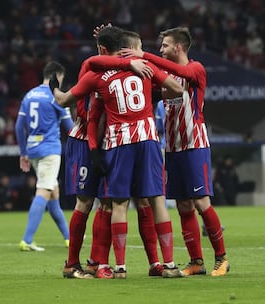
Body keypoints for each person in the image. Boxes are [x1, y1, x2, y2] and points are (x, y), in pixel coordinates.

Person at [51, 26, 185, 279]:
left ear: (103, 49)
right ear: (127, 50)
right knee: (107, 202)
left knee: (115, 203)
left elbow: (70, 94)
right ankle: (91, 264)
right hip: (103, 141)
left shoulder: (95, 72)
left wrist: (54, 88)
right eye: (139, 48)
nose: (143, 52)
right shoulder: (140, 68)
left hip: (113, 142)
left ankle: (114, 265)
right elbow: (177, 87)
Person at [121, 26, 230, 276]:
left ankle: (221, 258)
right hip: (172, 147)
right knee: (183, 205)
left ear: (178, 47)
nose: (161, 49)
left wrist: (144, 56)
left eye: (165, 45)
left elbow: (180, 71)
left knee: (202, 202)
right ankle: (196, 261)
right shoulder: (166, 78)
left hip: (195, 145)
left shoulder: (195, 69)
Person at [15, 61, 73, 252]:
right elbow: (70, 128)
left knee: (53, 193)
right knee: (43, 191)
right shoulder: (56, 97)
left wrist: (23, 153)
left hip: (32, 150)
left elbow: (18, 126)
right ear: (57, 77)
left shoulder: (29, 95)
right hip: (49, 150)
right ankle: (27, 240)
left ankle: (69, 238)